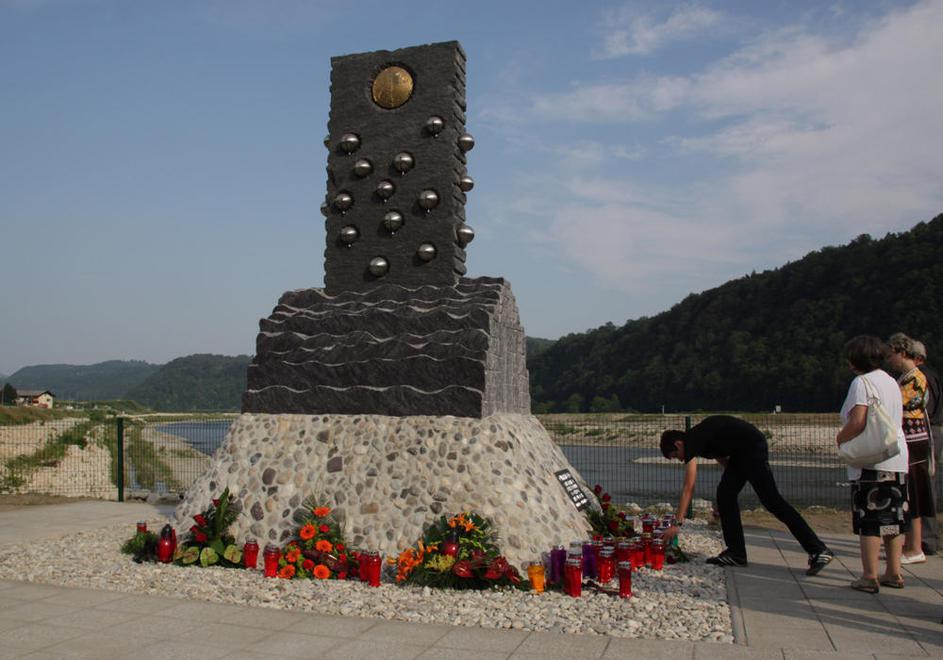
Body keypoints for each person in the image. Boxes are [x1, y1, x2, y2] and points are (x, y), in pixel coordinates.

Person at [660, 415, 834, 574]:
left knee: (773, 501)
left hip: (752, 449)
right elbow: (723, 459)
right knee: (725, 495)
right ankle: (736, 553)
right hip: (741, 453)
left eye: (676, 456)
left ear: (678, 444)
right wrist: (727, 496)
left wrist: (677, 523)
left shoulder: (693, 440)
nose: (680, 459)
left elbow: (689, 486)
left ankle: (818, 550)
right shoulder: (701, 439)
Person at [837, 335, 910, 592]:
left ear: (855, 360)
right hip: (896, 455)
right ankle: (894, 571)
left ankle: (869, 575)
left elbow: (858, 420)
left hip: (871, 459)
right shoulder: (891, 381)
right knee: (894, 517)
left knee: (869, 518)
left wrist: (840, 438)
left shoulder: (862, 382)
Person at [886, 333, 936, 564]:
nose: (890, 359)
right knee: (910, 492)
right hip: (912, 438)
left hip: (913, 440)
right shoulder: (909, 376)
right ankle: (911, 544)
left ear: (902, 353)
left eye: (892, 354)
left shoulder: (915, 378)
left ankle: (915, 546)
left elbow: (905, 406)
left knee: (913, 492)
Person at [913, 339, 942, 555]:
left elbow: (924, 409)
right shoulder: (928, 376)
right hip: (930, 431)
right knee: (924, 484)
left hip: (926, 432)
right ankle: (925, 538)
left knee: (925, 485)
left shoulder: (921, 377)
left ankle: (927, 539)